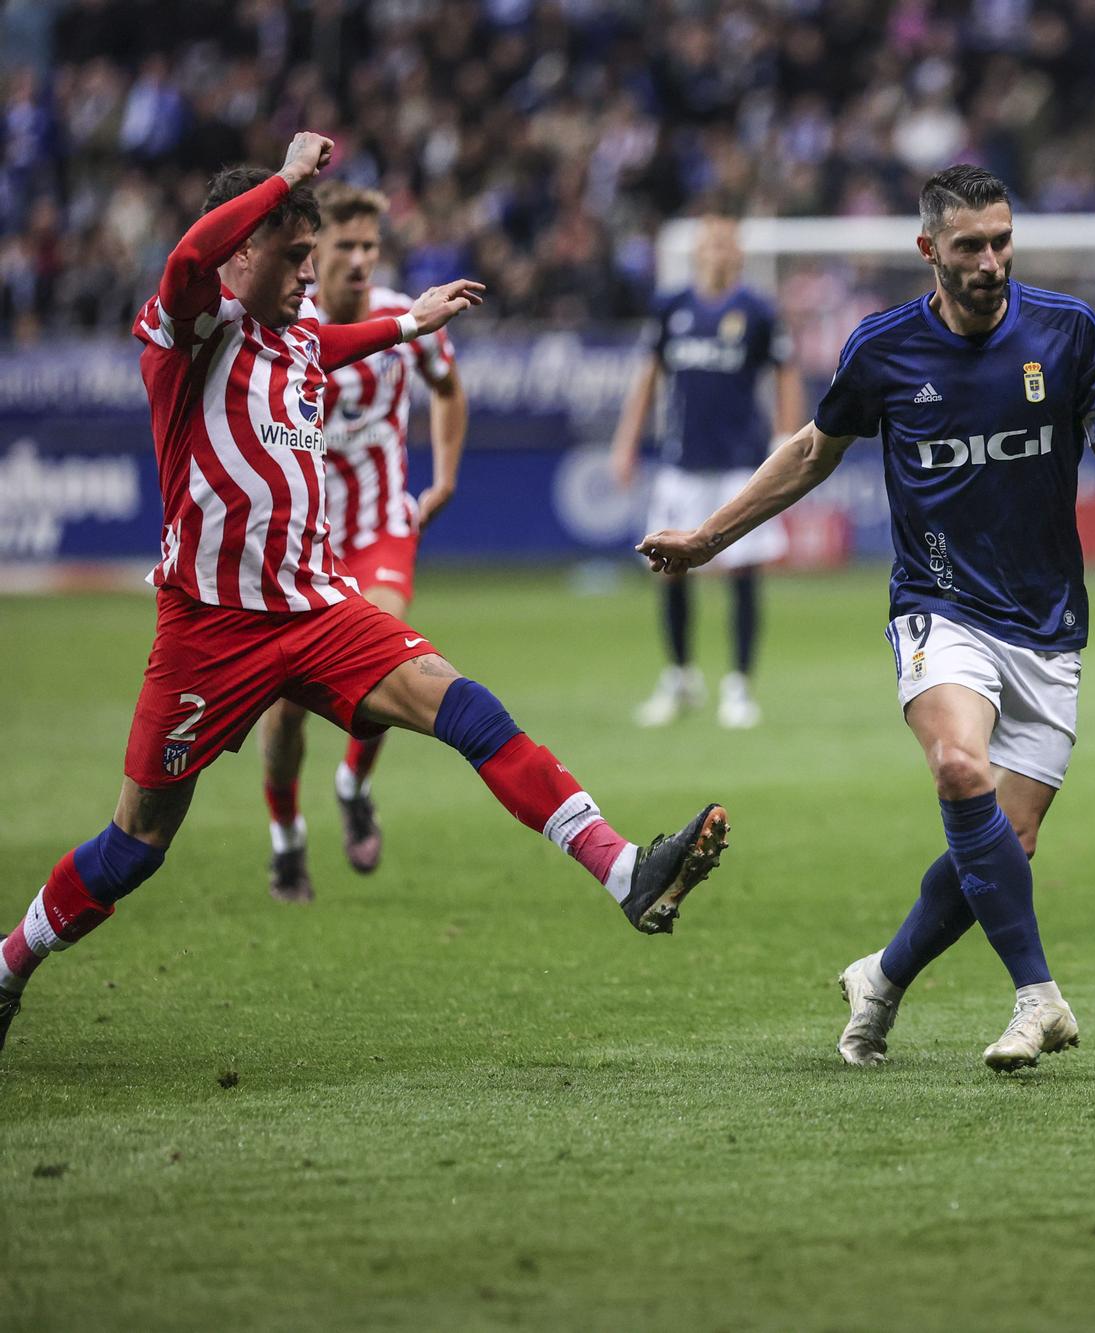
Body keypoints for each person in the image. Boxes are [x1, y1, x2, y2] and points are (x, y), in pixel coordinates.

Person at [0, 133, 729, 1058]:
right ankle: (9, 965)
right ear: (245, 253)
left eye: (318, 254)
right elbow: (187, 257)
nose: (314, 272)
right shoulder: (189, 328)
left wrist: (408, 323)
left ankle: (622, 867)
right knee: (136, 844)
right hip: (210, 628)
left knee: (466, 705)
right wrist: (286, 180)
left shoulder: (299, 339)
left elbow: (335, 343)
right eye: (296, 254)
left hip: (316, 606)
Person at [638, 164, 1095, 1072]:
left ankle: (880, 979)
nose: (991, 261)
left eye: (1002, 240)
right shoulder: (883, 348)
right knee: (959, 765)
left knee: (1005, 847)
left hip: (1048, 618)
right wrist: (707, 540)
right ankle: (1038, 995)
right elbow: (813, 453)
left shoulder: (1071, 332)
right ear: (929, 250)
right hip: (938, 604)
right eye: (970, 245)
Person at [258, 182, 470, 902]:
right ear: (313, 254)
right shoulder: (287, 324)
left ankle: (353, 782)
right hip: (304, 544)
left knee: (385, 646)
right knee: (285, 707)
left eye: (368, 247)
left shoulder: (411, 319)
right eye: (342, 246)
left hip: (382, 525)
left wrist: (442, 477)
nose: (357, 259)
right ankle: (286, 835)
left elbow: (447, 387)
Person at [611, 215, 804, 731]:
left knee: (742, 573)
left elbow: (786, 374)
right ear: (697, 253)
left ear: (738, 253)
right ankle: (679, 676)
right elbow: (648, 376)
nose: (718, 253)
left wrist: (786, 440)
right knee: (669, 570)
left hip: (742, 464)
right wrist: (626, 442)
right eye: (709, 244)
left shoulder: (758, 312)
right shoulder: (671, 307)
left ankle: (738, 685)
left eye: (725, 244)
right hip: (681, 462)